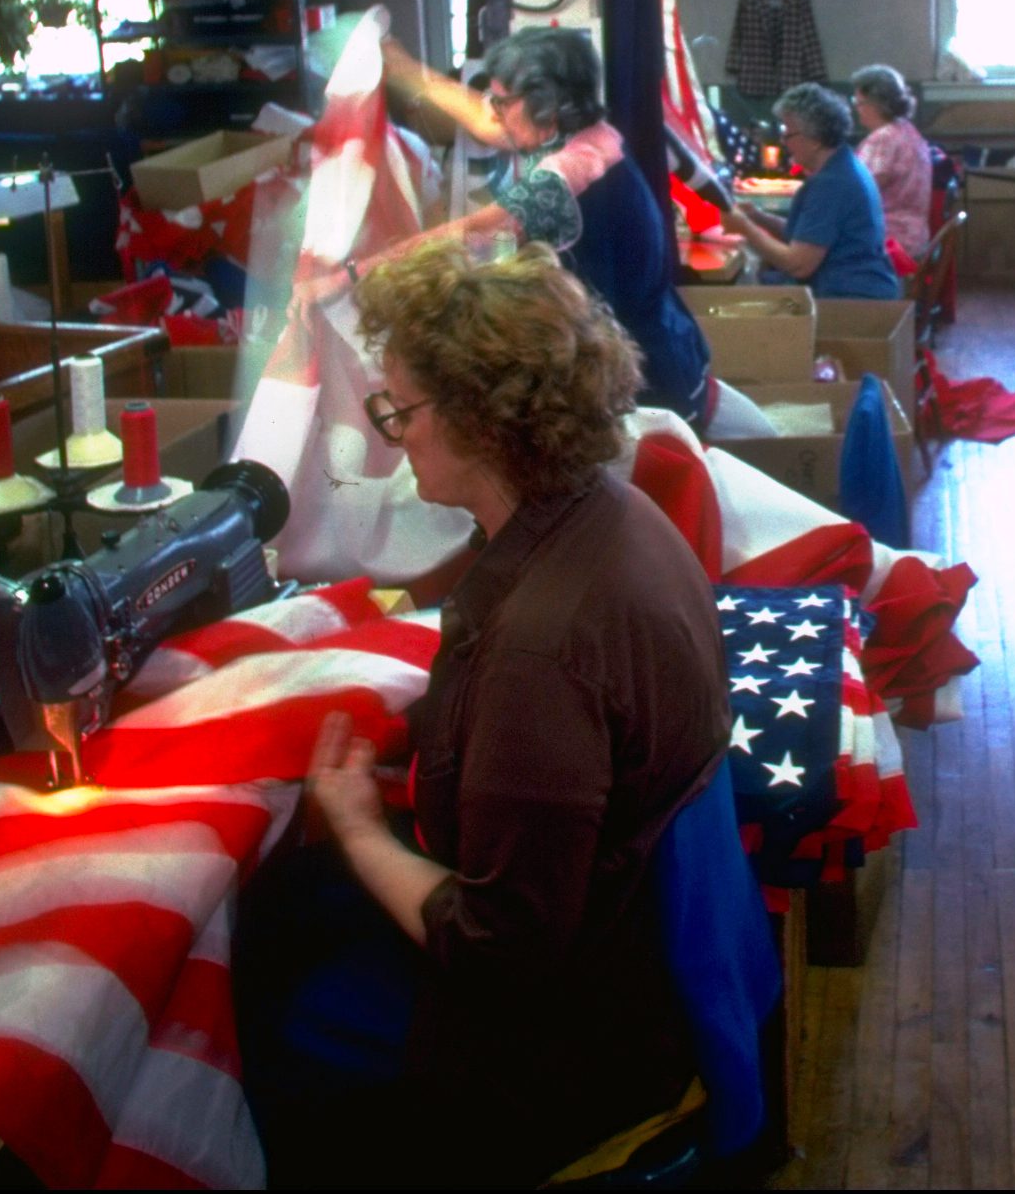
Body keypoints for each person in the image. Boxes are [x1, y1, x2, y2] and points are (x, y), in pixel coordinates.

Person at [233, 241, 731, 1188]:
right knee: (293, 909)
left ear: (484, 421)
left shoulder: (542, 653)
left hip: (561, 1042)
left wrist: (347, 820)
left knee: (263, 1007)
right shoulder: (612, 515)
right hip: (623, 947)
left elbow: (498, 950)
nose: (392, 436)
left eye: (403, 412)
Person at [376, 27, 715, 425]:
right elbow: (487, 123)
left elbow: (478, 232)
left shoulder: (571, 171)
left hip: (647, 387)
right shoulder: (590, 135)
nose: (494, 112)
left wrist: (355, 273)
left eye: (502, 102)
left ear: (545, 109)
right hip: (668, 354)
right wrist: (401, 66)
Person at [723, 82, 903, 300]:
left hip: (852, 299)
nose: (784, 142)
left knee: (737, 299)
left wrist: (745, 228)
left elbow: (798, 265)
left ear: (815, 139)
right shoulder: (842, 165)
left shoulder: (832, 184)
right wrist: (758, 217)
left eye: (788, 134)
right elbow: (807, 235)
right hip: (859, 289)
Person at [850, 64, 935, 262]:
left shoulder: (883, 139)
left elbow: (858, 194)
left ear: (876, 104)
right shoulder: (908, 131)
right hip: (914, 238)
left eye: (859, 101)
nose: (856, 108)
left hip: (890, 243)